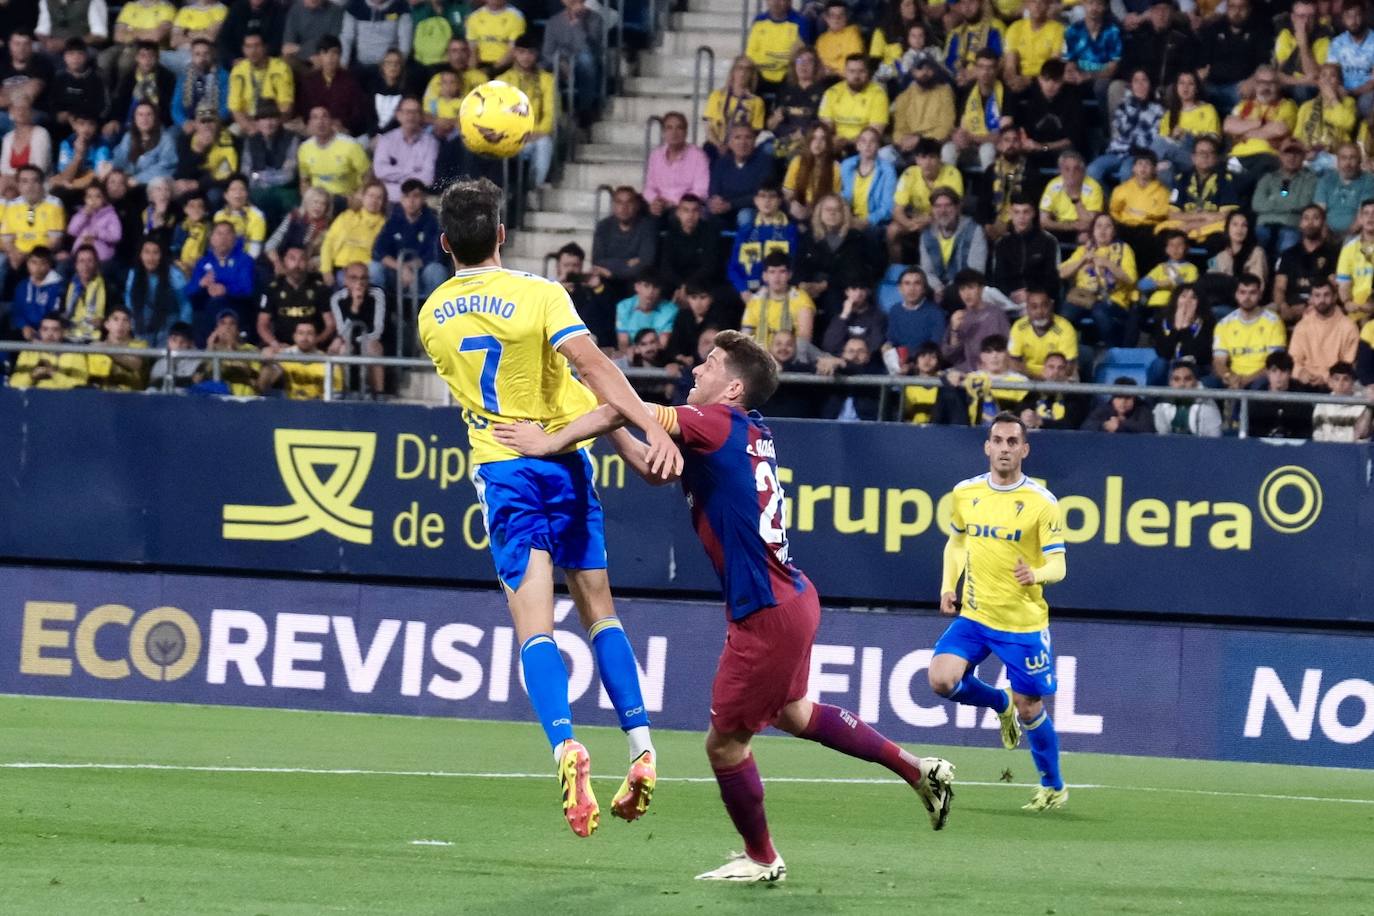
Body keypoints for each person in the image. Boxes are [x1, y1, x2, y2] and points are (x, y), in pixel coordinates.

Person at [493, 330, 955, 880]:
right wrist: (608, 411)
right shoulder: (737, 431)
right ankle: (918, 770)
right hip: (791, 598)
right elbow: (650, 464)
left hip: (765, 612)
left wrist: (552, 438)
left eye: (708, 364)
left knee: (725, 747)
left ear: (733, 387)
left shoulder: (712, 424)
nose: (695, 370)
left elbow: (635, 410)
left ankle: (762, 858)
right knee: (794, 712)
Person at [415, 178, 681, 838]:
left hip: (504, 467)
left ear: (445, 242)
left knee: (535, 626)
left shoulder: (431, 317)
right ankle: (643, 748)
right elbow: (587, 370)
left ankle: (565, 748)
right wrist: (645, 428)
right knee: (599, 610)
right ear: (502, 234)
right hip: (564, 462)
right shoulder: (541, 295)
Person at [926, 412, 1065, 809]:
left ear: (1024, 449)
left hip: (1022, 624)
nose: (1004, 448)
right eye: (997, 441)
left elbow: (1060, 565)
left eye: (1012, 442)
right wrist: (947, 586)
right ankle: (997, 703)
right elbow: (956, 543)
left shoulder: (1042, 503)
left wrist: (1036, 573)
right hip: (975, 615)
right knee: (940, 679)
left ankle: (1053, 785)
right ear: (987, 447)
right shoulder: (966, 493)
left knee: (1031, 707)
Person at [1059, 213, 1138, 347]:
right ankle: (1068, 352)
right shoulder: (1083, 250)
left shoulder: (1124, 249)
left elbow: (1131, 279)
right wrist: (1082, 260)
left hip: (1112, 299)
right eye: (1099, 226)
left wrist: (1108, 264)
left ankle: (1113, 350)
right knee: (1065, 315)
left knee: (1099, 312)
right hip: (1084, 297)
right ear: (1093, 231)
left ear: (1114, 231)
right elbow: (1062, 274)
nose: (1102, 230)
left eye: (1108, 226)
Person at [497, 33, 556, 188]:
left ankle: (534, 188)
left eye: (530, 53)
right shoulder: (502, 80)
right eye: (522, 52)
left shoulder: (547, 80)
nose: (526, 57)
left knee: (545, 143)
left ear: (536, 54)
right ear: (515, 53)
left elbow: (551, 111)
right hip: (511, 137)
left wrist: (539, 131)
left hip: (536, 135)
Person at [372, 178, 447, 298]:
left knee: (436, 270)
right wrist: (401, 268)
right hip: (397, 273)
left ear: (423, 198)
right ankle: (379, 312)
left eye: (416, 196)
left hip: (422, 273)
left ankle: (433, 312)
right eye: (406, 196)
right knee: (374, 268)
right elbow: (379, 250)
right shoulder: (393, 220)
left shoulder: (433, 222)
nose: (411, 201)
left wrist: (409, 267)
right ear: (401, 199)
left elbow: (435, 254)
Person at [1090, 69, 1164, 186]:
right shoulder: (1123, 105)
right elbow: (1121, 131)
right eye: (1136, 81)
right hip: (1117, 152)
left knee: (1126, 172)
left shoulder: (1158, 110)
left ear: (1150, 85)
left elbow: (1151, 138)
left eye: (1144, 80)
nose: (1140, 85)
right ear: (1131, 86)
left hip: (1139, 155)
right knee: (1092, 171)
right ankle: (1110, 201)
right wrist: (1136, 107)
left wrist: (1134, 143)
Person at [1213, 274, 1288, 389]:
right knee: (1210, 384)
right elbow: (1219, 362)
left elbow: (1274, 363)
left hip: (1261, 379)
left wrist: (1245, 380)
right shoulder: (1224, 324)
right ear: (1236, 295)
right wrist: (1229, 376)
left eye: (1252, 292)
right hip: (1234, 378)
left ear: (1260, 295)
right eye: (1243, 292)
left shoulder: (1274, 322)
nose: (1247, 297)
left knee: (1259, 386)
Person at [258, 244, 334, 353]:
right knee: (266, 354)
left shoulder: (319, 288)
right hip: (282, 347)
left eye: (302, 259)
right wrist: (275, 343)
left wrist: (315, 341)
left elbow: (330, 325)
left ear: (307, 262)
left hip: (313, 348)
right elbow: (262, 324)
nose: (297, 264)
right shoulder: (273, 288)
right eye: (292, 259)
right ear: (284, 261)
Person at [918, 190, 989, 304]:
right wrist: (938, 288)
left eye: (948, 205)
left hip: (964, 286)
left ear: (957, 208)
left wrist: (949, 288)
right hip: (937, 288)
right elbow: (926, 270)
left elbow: (976, 270)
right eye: (938, 206)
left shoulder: (974, 230)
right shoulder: (927, 234)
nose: (943, 211)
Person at [328, 262, 388, 394]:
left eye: (363, 278)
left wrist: (358, 341)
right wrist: (355, 307)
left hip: (369, 340)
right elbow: (341, 330)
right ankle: (342, 392)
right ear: (345, 280)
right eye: (354, 278)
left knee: (373, 347)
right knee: (341, 349)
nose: (359, 283)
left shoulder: (377, 294)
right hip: (348, 340)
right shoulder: (337, 298)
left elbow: (377, 330)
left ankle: (379, 394)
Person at [542, 0, 605, 125]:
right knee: (540, 66)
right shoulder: (553, 22)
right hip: (559, 62)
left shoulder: (595, 19)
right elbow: (547, 52)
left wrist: (578, 24)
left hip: (583, 61)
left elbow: (587, 48)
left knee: (586, 60)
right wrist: (561, 64)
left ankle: (585, 109)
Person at [1253, 141, 1319, 260]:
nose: (1292, 157)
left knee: (1289, 245)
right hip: (1265, 225)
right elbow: (1257, 204)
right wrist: (1289, 202)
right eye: (1287, 153)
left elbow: (1303, 203)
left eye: (1296, 154)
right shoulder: (1268, 178)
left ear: (1303, 157)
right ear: (1280, 156)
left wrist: (1273, 200)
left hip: (1290, 226)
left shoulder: (1310, 179)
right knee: (1254, 247)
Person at [1273, 205, 1340, 323]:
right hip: (1290, 305)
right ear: (1300, 223)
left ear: (1323, 223)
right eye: (1306, 218)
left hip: (1321, 305)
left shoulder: (1333, 253)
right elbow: (1279, 287)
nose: (1310, 223)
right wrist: (1283, 306)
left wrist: (1313, 306)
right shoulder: (1288, 254)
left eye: (1315, 218)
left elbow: (1335, 288)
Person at [728, 184, 799, 294]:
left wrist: (768, 291)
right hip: (747, 292)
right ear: (756, 200)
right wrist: (743, 291)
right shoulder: (745, 231)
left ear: (780, 201)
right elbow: (733, 267)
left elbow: (793, 265)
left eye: (772, 196)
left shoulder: (790, 231)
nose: (767, 201)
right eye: (762, 196)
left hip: (778, 292)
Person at [742, 251, 816, 353]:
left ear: (790, 275)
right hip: (759, 358)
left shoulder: (801, 299)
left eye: (782, 271)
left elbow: (804, 339)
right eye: (772, 272)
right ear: (765, 276)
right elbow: (746, 334)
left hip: (789, 356)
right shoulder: (756, 300)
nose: (777, 277)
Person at [944, 48, 1004, 173]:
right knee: (948, 150)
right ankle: (946, 190)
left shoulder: (1006, 93)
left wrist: (973, 138)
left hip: (992, 146)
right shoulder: (967, 91)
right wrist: (958, 137)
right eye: (981, 67)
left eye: (990, 67)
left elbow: (1004, 135)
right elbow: (958, 126)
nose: (985, 72)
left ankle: (990, 190)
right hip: (968, 145)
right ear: (975, 69)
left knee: (987, 150)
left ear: (996, 69)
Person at [990, 195, 1059, 304]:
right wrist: (1011, 294)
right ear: (1010, 214)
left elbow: (1052, 279)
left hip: (1039, 299)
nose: (1021, 217)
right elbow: (998, 278)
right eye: (1016, 212)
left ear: (1033, 213)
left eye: (1026, 212)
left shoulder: (1049, 241)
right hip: (1008, 298)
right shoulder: (1002, 243)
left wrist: (1030, 293)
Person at [296, 34, 368, 138]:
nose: (330, 58)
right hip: (315, 129)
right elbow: (304, 110)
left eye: (334, 53)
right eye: (325, 53)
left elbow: (358, 114)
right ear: (319, 56)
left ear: (340, 56)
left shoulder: (351, 81)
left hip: (340, 131)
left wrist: (341, 123)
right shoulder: (308, 81)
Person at [1289, 280, 1359, 387]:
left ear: (1335, 297)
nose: (1322, 300)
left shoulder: (1349, 327)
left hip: (1336, 386)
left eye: (1326, 295)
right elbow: (1293, 359)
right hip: (1304, 383)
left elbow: (1348, 365)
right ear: (1311, 299)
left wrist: (1326, 378)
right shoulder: (1302, 326)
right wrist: (1300, 372)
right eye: (1317, 295)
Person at [591, 186, 658, 296]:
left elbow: (646, 263)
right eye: (619, 203)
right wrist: (627, 263)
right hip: (607, 281)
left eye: (629, 203)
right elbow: (597, 261)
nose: (624, 207)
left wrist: (612, 272)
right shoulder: (603, 226)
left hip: (635, 283)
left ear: (637, 205)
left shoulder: (647, 227)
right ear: (613, 205)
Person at [641, 112, 709, 219]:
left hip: (687, 206)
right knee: (640, 215)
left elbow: (701, 190)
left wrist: (673, 202)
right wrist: (655, 200)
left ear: (686, 132)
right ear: (663, 132)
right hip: (660, 205)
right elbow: (649, 187)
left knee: (676, 217)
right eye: (669, 128)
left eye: (679, 128)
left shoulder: (698, 156)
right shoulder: (656, 155)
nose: (674, 132)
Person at [125, 238, 192, 345]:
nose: (151, 257)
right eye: (147, 252)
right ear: (140, 255)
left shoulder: (174, 274)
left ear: (162, 255)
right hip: (143, 323)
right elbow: (129, 303)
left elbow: (185, 305)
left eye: (155, 253)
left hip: (169, 323)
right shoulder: (133, 274)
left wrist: (181, 332)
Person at [297, 106, 372, 201]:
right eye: (315, 118)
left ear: (332, 122)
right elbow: (304, 180)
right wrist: (307, 199)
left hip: (345, 198)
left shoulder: (350, 145)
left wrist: (359, 195)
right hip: (318, 200)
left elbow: (368, 174)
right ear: (309, 124)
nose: (320, 122)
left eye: (325, 117)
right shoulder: (304, 148)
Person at [227, 31, 294, 136]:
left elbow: (286, 108)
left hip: (274, 119)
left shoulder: (280, 68)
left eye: (257, 46)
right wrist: (250, 127)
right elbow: (235, 109)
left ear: (265, 47)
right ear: (243, 50)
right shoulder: (238, 70)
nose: (253, 51)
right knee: (232, 132)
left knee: (289, 128)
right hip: (248, 120)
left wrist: (268, 125)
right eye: (248, 47)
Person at [320, 180, 387, 281]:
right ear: (363, 197)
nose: (374, 200)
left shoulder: (385, 225)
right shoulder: (346, 216)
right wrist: (326, 270)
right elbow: (328, 243)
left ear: (383, 202)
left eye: (379, 198)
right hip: (342, 267)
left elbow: (380, 253)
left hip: (367, 269)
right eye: (371, 195)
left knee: (375, 270)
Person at [1149, 284, 1215, 386]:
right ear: (1176, 300)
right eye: (1183, 296)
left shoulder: (1208, 324)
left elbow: (1200, 357)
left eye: (1193, 298)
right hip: (1169, 368)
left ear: (1200, 302)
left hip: (1196, 368)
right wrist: (1176, 329)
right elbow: (1164, 353)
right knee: (1159, 364)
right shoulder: (1163, 321)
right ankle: (1152, 399)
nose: (1187, 301)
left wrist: (1186, 327)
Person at [817, 54, 889, 145]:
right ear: (845, 72)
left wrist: (848, 142)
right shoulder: (831, 93)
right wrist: (832, 140)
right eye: (852, 71)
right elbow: (826, 126)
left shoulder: (878, 95)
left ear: (868, 72)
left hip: (865, 146)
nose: (856, 76)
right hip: (835, 144)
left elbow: (875, 132)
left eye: (861, 71)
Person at [703, 55, 766, 156]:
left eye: (748, 69)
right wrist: (719, 145)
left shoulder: (757, 102)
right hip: (716, 145)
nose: (743, 73)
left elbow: (754, 132)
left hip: (741, 148)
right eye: (740, 68)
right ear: (733, 72)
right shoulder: (717, 96)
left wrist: (736, 146)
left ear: (752, 74)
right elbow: (708, 127)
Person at [1009, 288, 1079, 379]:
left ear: (1051, 306)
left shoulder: (1065, 328)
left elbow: (1070, 366)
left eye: (1044, 306)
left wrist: (1051, 377)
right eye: (1034, 307)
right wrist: (1036, 377)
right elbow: (1013, 361)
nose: (1039, 312)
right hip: (1027, 374)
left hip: (1057, 374)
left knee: (1072, 377)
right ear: (1027, 309)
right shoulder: (1019, 327)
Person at [745, 0, 812, 92]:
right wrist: (777, 60)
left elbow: (800, 56)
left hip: (787, 76)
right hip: (760, 76)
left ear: (789, 1)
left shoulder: (800, 22)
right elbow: (750, 54)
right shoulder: (759, 20)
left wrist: (769, 60)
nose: (775, 2)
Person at [839, 127, 896, 234]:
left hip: (875, 222)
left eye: (872, 141)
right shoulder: (847, 165)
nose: (867, 145)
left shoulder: (887, 170)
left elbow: (887, 208)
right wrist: (847, 217)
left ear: (878, 146)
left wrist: (866, 221)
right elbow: (843, 194)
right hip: (849, 218)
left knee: (870, 234)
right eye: (863, 141)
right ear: (858, 145)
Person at [1248, 351, 1317, 438]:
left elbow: (1305, 431)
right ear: (1267, 373)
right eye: (1274, 371)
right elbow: (1252, 431)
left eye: (1283, 371)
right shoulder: (1257, 399)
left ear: (1290, 374)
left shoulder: (1301, 400)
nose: (1278, 376)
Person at [1038, 151, 1104, 241]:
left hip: (1084, 230)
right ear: (1060, 170)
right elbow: (1043, 221)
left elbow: (1088, 223)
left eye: (1076, 169)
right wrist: (1071, 226)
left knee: (1084, 237)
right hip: (1061, 225)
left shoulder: (1093, 187)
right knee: (1041, 236)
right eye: (1067, 169)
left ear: (1083, 171)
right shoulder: (1053, 185)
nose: (1071, 173)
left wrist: (1075, 198)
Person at [9, 314, 88, 388]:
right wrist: (31, 376)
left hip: (64, 399)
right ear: (39, 331)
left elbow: (80, 385)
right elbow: (14, 383)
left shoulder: (75, 353)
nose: (50, 334)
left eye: (55, 330)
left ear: (63, 333)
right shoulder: (29, 352)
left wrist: (53, 373)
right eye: (45, 329)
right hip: (34, 397)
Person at [782, 122, 839, 224]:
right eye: (814, 138)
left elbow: (835, 197)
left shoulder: (835, 167)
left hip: (822, 212)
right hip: (800, 209)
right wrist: (794, 202)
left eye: (822, 139)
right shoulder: (797, 161)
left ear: (828, 143)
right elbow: (787, 191)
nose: (817, 143)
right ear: (808, 141)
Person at [1313, 142, 1374, 236]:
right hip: (1327, 234)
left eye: (1352, 158)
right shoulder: (1326, 180)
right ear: (1337, 161)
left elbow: (1364, 214)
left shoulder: (1369, 180)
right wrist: (1324, 234)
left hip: (1355, 234)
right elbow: (1319, 211)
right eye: (1344, 158)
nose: (1348, 163)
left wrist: (1347, 236)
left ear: (1359, 161)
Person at [1018, 352, 1089, 430]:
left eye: (1060, 368)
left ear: (1066, 374)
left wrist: (1041, 422)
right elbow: (1018, 416)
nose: (1055, 372)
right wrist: (1023, 418)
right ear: (1043, 371)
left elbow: (1071, 425)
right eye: (1051, 367)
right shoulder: (1033, 395)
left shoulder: (1074, 397)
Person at [1152, 359, 1223, 436]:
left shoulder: (1207, 406)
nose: (1182, 384)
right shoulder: (1161, 406)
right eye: (1177, 379)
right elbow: (1162, 439)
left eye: (1187, 379)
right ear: (1170, 383)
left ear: (1196, 382)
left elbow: (1215, 440)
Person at [87, 306, 150, 391]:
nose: (120, 324)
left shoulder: (140, 344)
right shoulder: (95, 346)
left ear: (130, 326)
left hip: (131, 397)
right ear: (107, 324)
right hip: (101, 397)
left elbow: (135, 364)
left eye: (125, 320)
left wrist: (107, 350)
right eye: (115, 319)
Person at [1329, 0, 1374, 118]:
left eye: (1357, 15)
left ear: (1364, 16)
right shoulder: (1337, 43)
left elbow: (1373, 82)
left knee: (1365, 103)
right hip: (1342, 90)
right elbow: (1331, 72)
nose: (1353, 21)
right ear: (1343, 19)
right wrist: (1338, 88)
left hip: (1367, 91)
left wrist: (1352, 93)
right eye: (1348, 16)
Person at [340, 0, 412, 71]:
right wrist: (343, 63)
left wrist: (400, 64)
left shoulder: (401, 6)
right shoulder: (354, 5)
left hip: (389, 67)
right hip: (362, 65)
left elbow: (405, 39)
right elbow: (347, 37)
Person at [9, 247, 64, 341]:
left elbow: (54, 314)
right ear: (27, 264)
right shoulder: (22, 286)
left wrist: (38, 334)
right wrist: (24, 327)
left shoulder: (58, 286)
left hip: (47, 333)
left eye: (43, 263)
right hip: (24, 332)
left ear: (49, 265)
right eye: (34, 262)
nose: (38, 267)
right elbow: (17, 311)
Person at [1312, 361, 1372, 440]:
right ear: (1330, 382)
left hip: (1354, 450)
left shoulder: (1363, 403)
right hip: (1326, 449)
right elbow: (1318, 435)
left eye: (1346, 379)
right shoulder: (1322, 404)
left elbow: (1361, 435)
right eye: (1336, 379)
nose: (1341, 383)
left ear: (1353, 382)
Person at [1336, 198, 1374, 322]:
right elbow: (1344, 283)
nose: (1370, 217)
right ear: (1360, 218)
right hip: (1357, 309)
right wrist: (1347, 302)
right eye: (1366, 213)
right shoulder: (1349, 248)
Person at [1082, 377, 1154, 432]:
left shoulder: (1142, 408)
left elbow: (1148, 428)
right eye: (1119, 397)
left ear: (1134, 398)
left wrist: (1120, 425)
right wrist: (1105, 425)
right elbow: (1086, 426)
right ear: (1113, 398)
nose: (1123, 402)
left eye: (1127, 398)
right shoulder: (1106, 408)